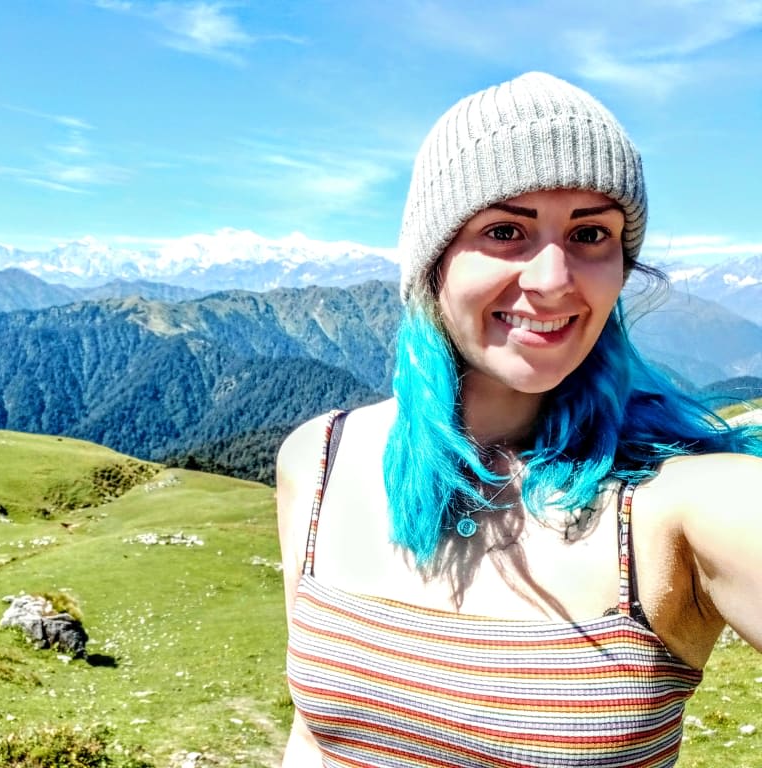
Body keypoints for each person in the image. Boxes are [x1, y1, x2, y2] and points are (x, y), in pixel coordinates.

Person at [276, 71, 762, 768]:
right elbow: (311, 737)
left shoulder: (682, 504)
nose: (553, 279)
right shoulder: (318, 461)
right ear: (431, 263)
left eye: (590, 233)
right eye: (505, 231)